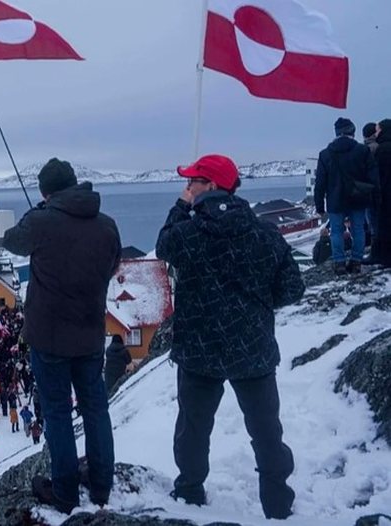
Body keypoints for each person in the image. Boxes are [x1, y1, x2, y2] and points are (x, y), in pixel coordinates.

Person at [156, 154, 305, 520]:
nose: (188, 186)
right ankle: (278, 504)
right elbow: (291, 289)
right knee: (266, 431)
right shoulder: (264, 235)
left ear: (209, 187)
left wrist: (180, 206)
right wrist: (254, 306)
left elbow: (164, 246)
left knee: (193, 428)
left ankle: (189, 493)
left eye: (193, 182)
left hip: (198, 350)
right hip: (252, 350)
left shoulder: (189, 234)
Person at [3, 158, 121, 514]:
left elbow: (12, 241)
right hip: (89, 334)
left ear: (46, 191)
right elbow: (113, 265)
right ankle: (102, 485)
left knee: (57, 413)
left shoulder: (41, 221)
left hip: (49, 338)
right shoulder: (107, 225)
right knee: (96, 409)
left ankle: (65, 492)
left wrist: (38, 212)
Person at [315, 117, 380, 275]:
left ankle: (339, 263)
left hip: (335, 200)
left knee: (336, 231)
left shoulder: (325, 154)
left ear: (336, 132)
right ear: (352, 131)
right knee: (358, 229)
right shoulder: (362, 151)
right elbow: (373, 177)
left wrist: (319, 205)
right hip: (358, 198)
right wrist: (375, 198)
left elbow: (320, 182)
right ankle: (356, 261)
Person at [374, 119, 391, 267]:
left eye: (378, 129)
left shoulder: (383, 149)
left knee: (385, 225)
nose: (376, 132)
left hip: (386, 193)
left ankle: (385, 258)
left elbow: (379, 174)